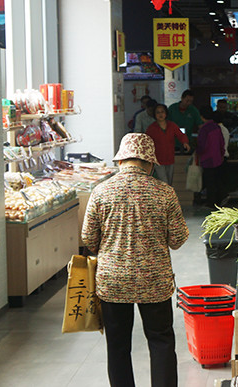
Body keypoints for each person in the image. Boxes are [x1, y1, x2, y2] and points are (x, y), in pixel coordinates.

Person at [81, 133, 189, 387]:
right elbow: (178, 239)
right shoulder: (165, 193)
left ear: (121, 162)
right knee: (161, 341)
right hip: (155, 280)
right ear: (150, 163)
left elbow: (88, 238)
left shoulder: (101, 192)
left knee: (117, 346)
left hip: (113, 281)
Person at [145, 104, 191, 185]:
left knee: (169, 183)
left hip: (170, 158)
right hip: (158, 160)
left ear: (166, 113)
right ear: (155, 115)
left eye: (162, 112)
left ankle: (167, 197)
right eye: (158, 112)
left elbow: (181, 135)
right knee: (164, 183)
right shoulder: (151, 128)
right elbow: (146, 141)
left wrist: (185, 142)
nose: (160, 114)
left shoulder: (172, 125)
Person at [197, 106, 229, 207]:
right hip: (218, 159)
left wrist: (197, 153)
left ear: (202, 117)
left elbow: (202, 145)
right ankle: (219, 200)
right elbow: (221, 143)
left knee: (209, 182)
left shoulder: (204, 129)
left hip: (207, 159)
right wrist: (221, 154)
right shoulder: (217, 127)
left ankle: (211, 203)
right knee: (216, 181)